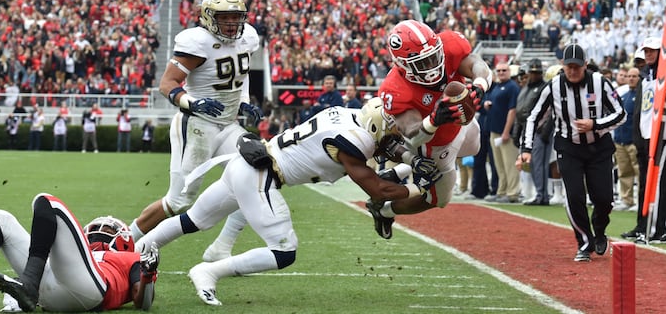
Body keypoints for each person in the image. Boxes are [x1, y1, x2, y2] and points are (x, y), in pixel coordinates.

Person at [134, 100, 439, 306]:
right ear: (374, 129)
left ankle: (135, 250)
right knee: (284, 251)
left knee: (193, 221)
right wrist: (417, 186)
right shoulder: (352, 143)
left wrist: (410, 162)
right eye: (390, 136)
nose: (394, 141)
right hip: (260, 175)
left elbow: (380, 161)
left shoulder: (345, 115)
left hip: (246, 164)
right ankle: (208, 271)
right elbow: (379, 190)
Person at [129, 0, 264, 270]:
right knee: (179, 200)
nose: (231, 23)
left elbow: (242, 75)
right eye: (225, 17)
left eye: (235, 17)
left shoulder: (247, 37)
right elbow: (167, 84)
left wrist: (243, 102)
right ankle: (128, 243)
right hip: (197, 124)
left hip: (228, 124)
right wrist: (192, 103)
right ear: (208, 16)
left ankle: (221, 248)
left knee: (257, 175)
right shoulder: (198, 42)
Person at [369, 20, 491, 239]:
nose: (432, 65)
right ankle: (384, 210)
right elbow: (412, 135)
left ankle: (395, 173)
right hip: (434, 143)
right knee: (439, 200)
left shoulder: (449, 44)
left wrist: (480, 85)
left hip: (461, 123)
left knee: (474, 147)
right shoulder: (395, 88)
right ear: (402, 64)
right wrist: (434, 120)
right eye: (422, 62)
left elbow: (477, 64)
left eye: (434, 57)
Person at [518, 44, 626, 262]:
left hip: (599, 147)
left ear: (585, 65)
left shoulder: (599, 83)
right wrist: (526, 149)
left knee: (604, 199)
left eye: (577, 67)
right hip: (569, 148)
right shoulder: (553, 87)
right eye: (569, 67)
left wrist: (594, 124)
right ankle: (584, 243)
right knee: (574, 196)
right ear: (562, 65)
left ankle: (599, 229)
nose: (573, 71)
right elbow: (533, 117)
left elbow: (620, 114)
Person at [0, 194, 159, 312]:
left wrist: (147, 275)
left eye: (108, 230)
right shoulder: (72, 256)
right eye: (98, 228)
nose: (100, 231)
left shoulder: (131, 257)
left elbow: (142, 304)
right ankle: (30, 285)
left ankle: (30, 284)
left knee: (46, 201)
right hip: (49, 290)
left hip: (92, 291)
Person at [622, 37, 666, 245]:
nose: (649, 54)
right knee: (665, 184)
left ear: (662, 52)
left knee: (657, 181)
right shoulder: (648, 76)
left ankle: (654, 229)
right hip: (651, 135)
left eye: (653, 51)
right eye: (647, 51)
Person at [517, 58, 552, 206]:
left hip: (539, 129)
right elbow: (521, 110)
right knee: (532, 164)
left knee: (539, 163)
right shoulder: (526, 88)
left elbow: (550, 111)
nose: (534, 75)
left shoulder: (544, 88)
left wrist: (545, 130)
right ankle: (539, 193)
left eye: (537, 72)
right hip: (527, 129)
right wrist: (517, 131)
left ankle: (542, 195)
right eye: (532, 72)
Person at [484, 63, 520, 203]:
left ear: (509, 71)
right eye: (498, 70)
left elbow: (512, 110)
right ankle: (502, 191)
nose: (501, 73)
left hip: (506, 133)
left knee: (510, 164)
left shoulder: (512, 87)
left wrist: (506, 132)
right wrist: (487, 105)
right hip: (495, 131)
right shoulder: (497, 87)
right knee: (499, 164)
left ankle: (512, 193)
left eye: (504, 70)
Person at [612, 67, 640, 211]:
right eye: (629, 76)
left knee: (638, 172)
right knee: (624, 172)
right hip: (620, 140)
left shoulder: (641, 96)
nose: (631, 79)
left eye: (634, 76)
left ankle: (640, 200)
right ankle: (627, 199)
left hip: (634, 140)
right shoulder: (623, 95)